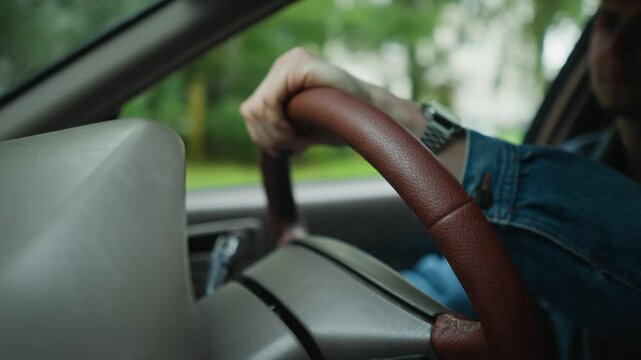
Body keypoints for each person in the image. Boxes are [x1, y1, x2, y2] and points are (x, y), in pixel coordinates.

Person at [239, 0, 641, 357]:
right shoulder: (573, 160)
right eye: (608, 21)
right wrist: (330, 309)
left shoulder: (561, 184)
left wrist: (395, 114)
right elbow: (461, 281)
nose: (618, 48)